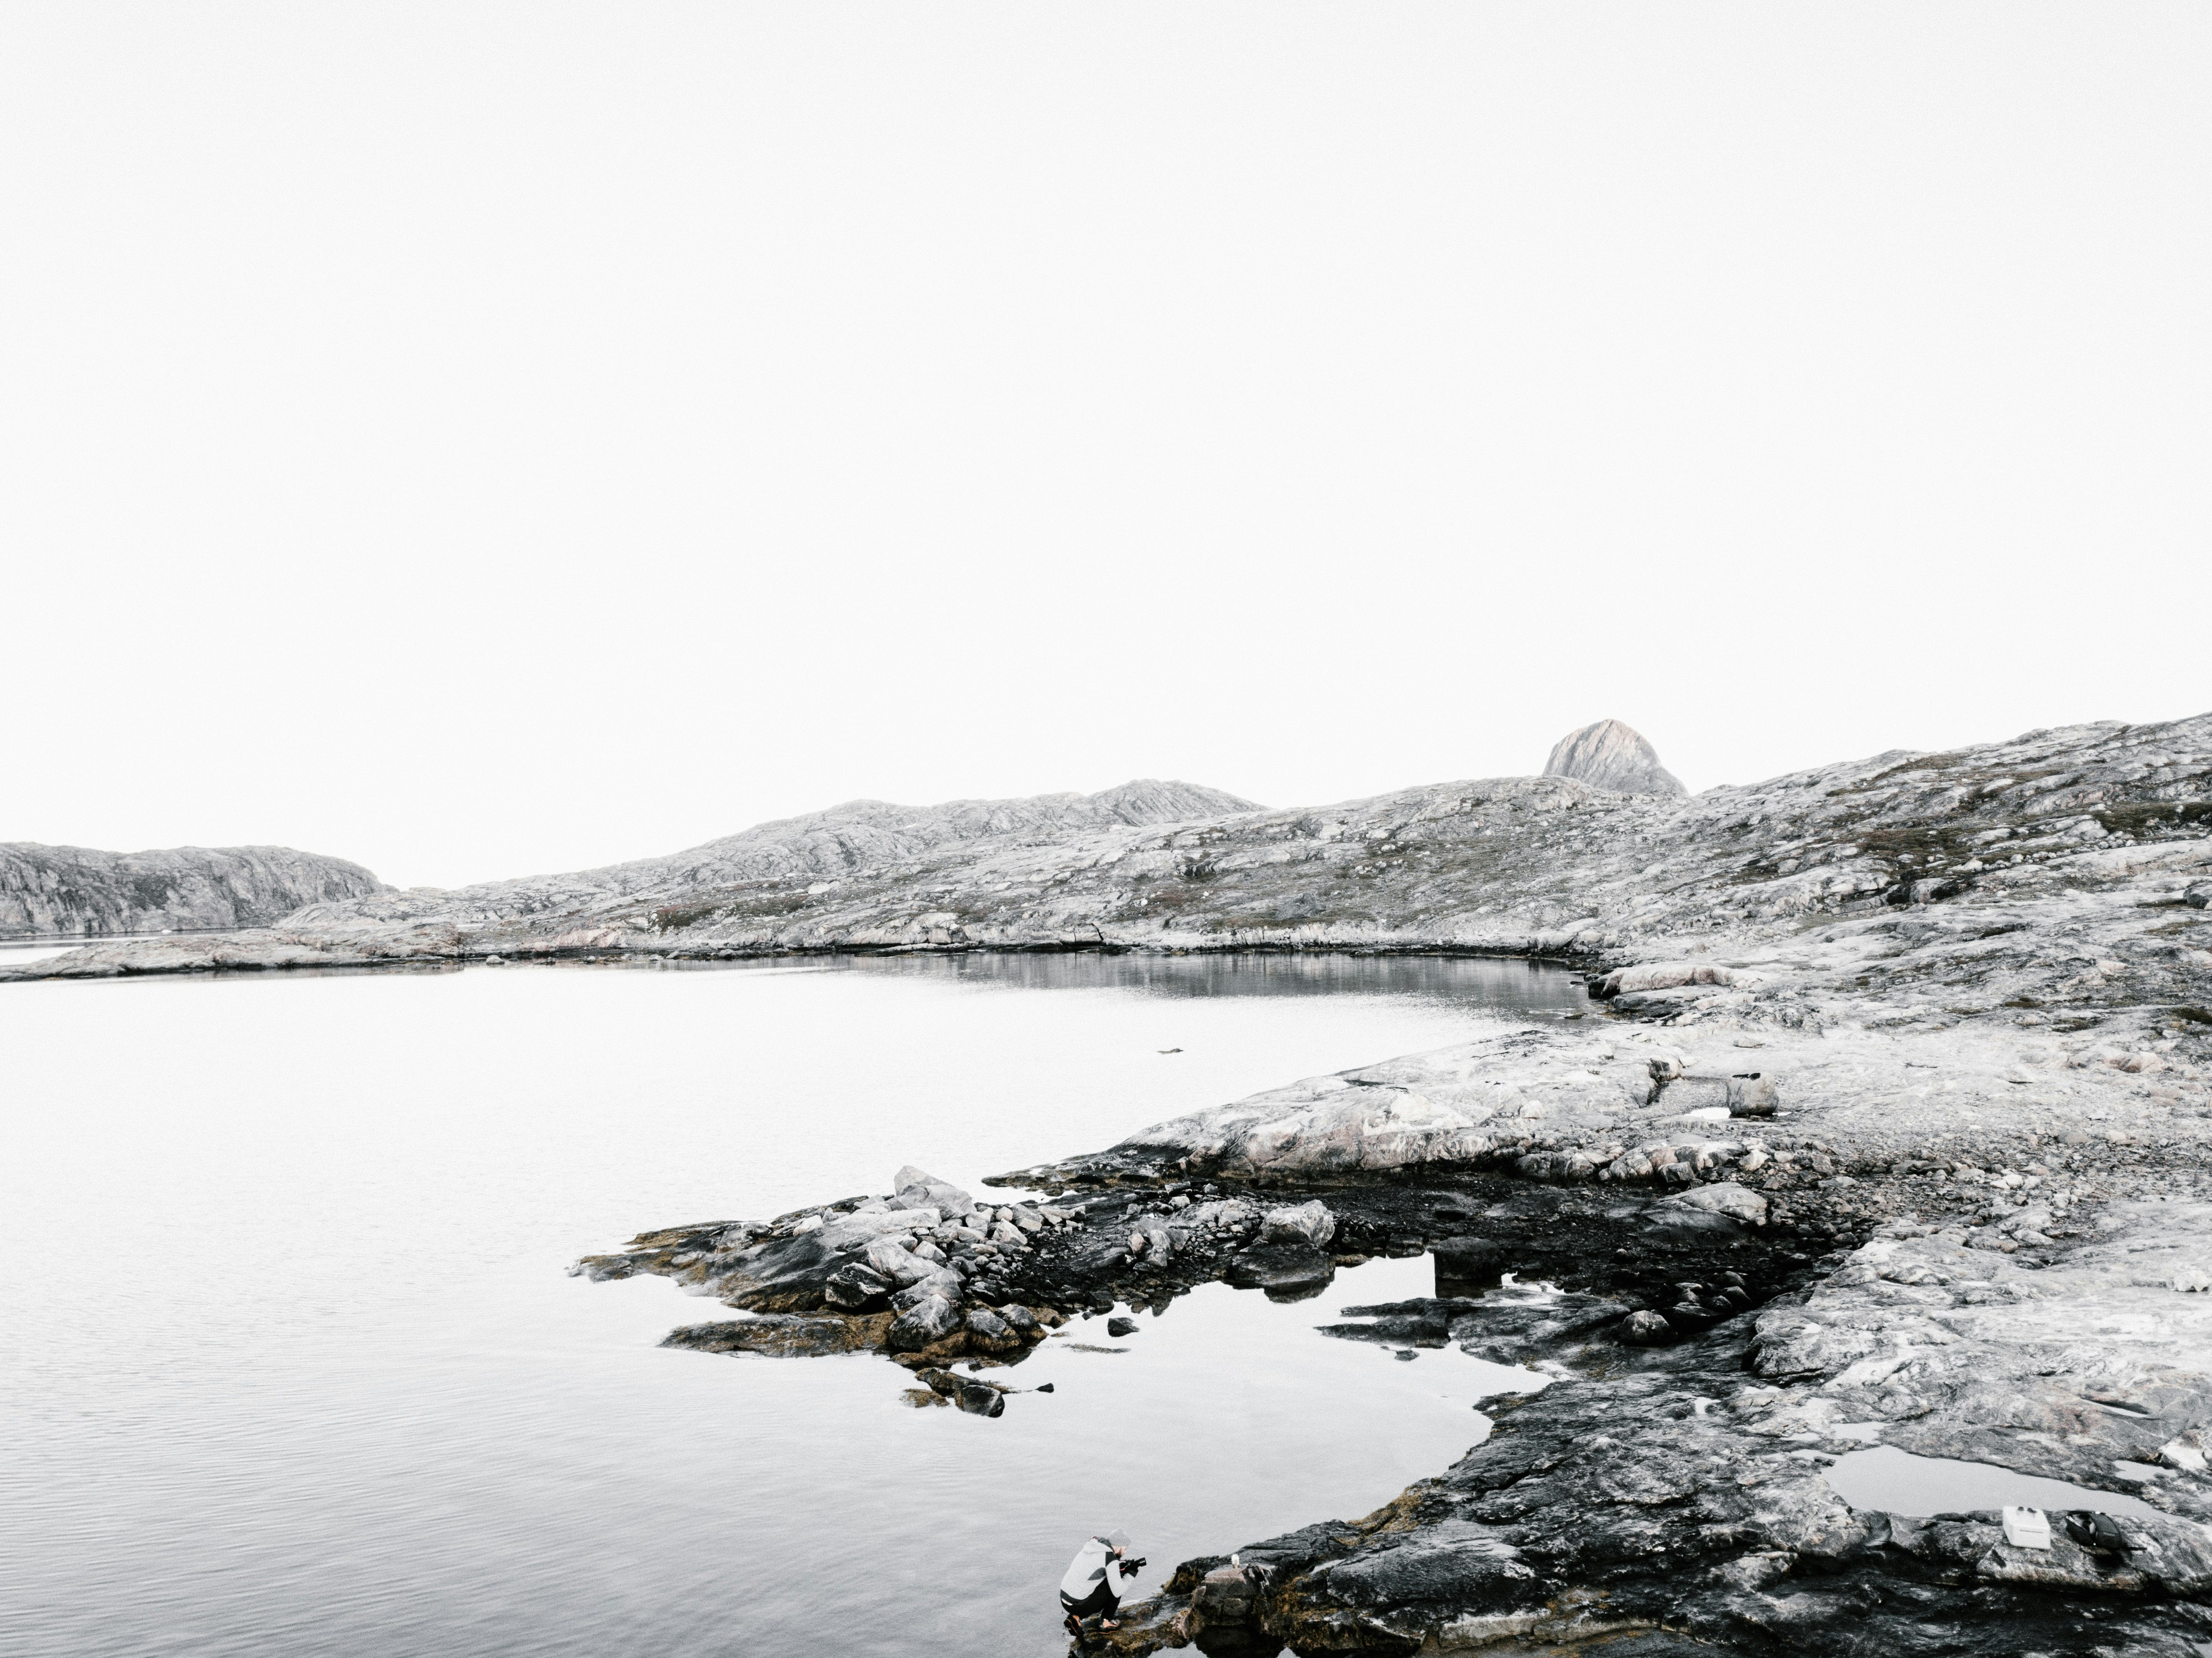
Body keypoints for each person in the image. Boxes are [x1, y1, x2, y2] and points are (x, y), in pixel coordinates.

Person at [1058, 1529, 1141, 1634]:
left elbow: (1097, 1568)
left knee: (1102, 1581)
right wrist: (1131, 1573)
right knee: (1117, 1584)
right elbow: (1118, 1591)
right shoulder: (1110, 1558)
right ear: (1117, 1547)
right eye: (1125, 1549)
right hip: (1078, 1605)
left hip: (1065, 1599)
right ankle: (1106, 1623)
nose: (1125, 1552)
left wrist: (1118, 1566)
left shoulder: (1094, 1546)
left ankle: (1075, 1618)